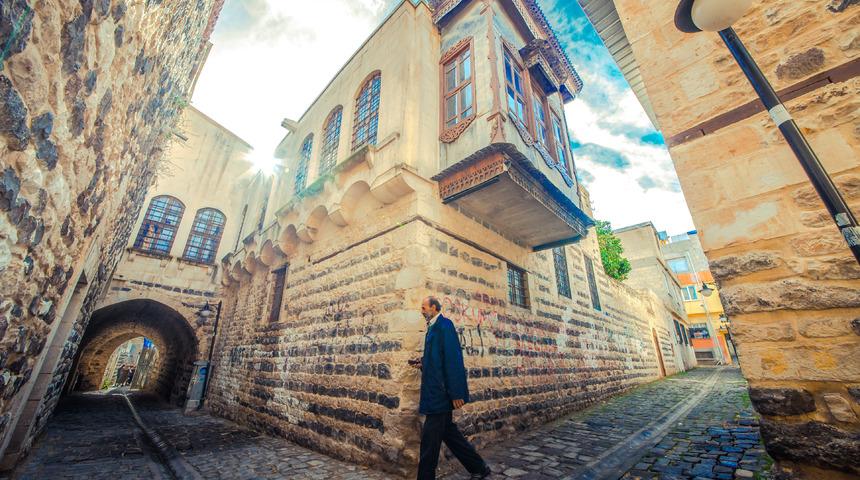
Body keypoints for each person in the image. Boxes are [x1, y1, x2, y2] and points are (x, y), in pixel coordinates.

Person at [410, 296, 491, 480]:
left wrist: (456, 393)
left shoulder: (444, 325)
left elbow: (453, 360)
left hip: (440, 394)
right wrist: (422, 363)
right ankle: (479, 467)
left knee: (429, 442)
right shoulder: (432, 328)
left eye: (424, 307)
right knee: (450, 434)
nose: (421, 310)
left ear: (434, 308)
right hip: (435, 392)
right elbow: (437, 359)